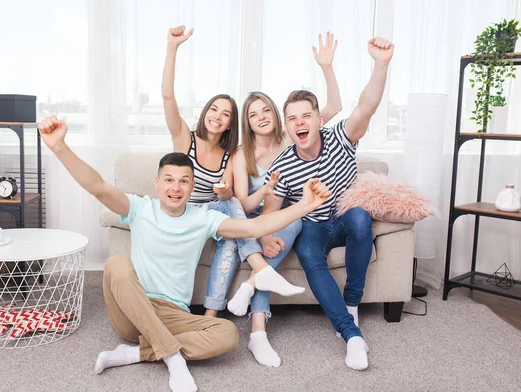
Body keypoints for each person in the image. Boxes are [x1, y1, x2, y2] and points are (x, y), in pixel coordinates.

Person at [37, 115, 331, 392]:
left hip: (176, 315)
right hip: (132, 311)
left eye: (183, 181)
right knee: (116, 264)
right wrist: (60, 147)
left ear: (192, 186)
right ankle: (173, 359)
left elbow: (256, 226)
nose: (175, 188)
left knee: (228, 334)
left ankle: (136, 353)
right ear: (157, 183)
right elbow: (96, 186)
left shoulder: (203, 218)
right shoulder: (140, 208)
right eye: (168, 180)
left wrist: (305, 206)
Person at [261, 37, 395, 371]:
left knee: (362, 218)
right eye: (292, 118)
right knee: (308, 254)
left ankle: (352, 300)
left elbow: (366, 107)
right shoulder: (283, 165)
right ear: (287, 127)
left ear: (319, 120)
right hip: (316, 226)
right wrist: (264, 236)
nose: (300, 123)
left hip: (346, 215)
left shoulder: (340, 137)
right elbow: (269, 212)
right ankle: (351, 335)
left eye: (306, 115)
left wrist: (381, 65)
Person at [161, 25, 305, 317]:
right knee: (231, 205)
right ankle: (260, 268)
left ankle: (210, 315)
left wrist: (227, 191)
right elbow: (167, 97)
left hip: (214, 216)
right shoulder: (185, 139)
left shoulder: (230, 155)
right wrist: (172, 48)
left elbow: (228, 194)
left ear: (230, 124)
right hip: (189, 213)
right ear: (205, 113)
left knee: (229, 231)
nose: (217, 116)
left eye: (225, 113)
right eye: (214, 109)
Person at [218, 32, 342, 368]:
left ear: (276, 114)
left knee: (296, 217)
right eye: (253, 114)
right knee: (268, 221)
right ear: (248, 122)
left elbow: (333, 108)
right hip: (253, 222)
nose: (260, 117)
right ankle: (257, 323)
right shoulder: (242, 154)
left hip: (286, 219)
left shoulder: (293, 135)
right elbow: (242, 206)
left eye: (264, 110)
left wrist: (327, 68)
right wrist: (266, 191)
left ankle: (256, 324)